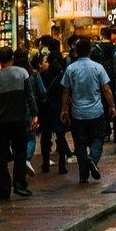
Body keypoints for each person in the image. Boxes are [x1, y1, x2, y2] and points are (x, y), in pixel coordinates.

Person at [62, 40, 114, 184]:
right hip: (96, 111)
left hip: (77, 113)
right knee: (98, 138)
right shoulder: (98, 67)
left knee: (80, 143)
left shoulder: (71, 69)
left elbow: (66, 91)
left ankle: (83, 175)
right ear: (90, 51)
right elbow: (106, 89)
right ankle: (92, 159)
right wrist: (112, 105)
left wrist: (64, 109)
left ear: (76, 52)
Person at [0, 46, 35, 200]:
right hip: (18, 120)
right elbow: (30, 96)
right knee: (20, 152)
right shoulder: (22, 73)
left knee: (0, 156)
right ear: (12, 59)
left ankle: (4, 189)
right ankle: (20, 184)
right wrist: (34, 114)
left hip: (0, 123)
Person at [36, 37, 71, 175]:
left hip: (45, 109)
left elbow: (39, 93)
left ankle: (45, 163)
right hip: (59, 108)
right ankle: (62, 164)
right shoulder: (64, 76)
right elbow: (67, 92)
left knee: (45, 137)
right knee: (61, 136)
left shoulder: (43, 75)